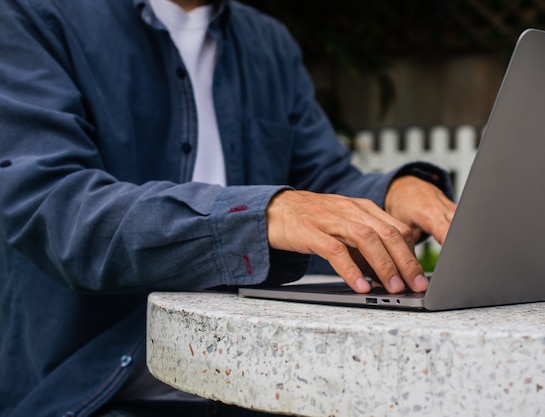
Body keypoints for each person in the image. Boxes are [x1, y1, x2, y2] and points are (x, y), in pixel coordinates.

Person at [0, 0, 456, 416]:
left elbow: (323, 185)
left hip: (265, 387)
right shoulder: (34, 15)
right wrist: (263, 215)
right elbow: (58, 210)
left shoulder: (268, 43)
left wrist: (393, 194)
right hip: (100, 394)